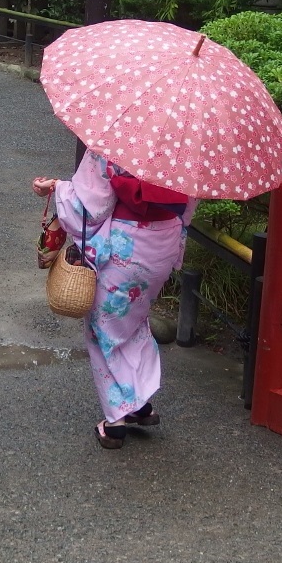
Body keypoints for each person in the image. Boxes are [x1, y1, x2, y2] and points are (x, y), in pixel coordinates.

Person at [33, 151, 197, 449]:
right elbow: (188, 206)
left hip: (127, 245)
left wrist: (58, 187)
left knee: (103, 329)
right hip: (164, 243)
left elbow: (89, 207)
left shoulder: (117, 141)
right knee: (133, 322)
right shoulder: (184, 143)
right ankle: (140, 404)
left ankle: (115, 422)